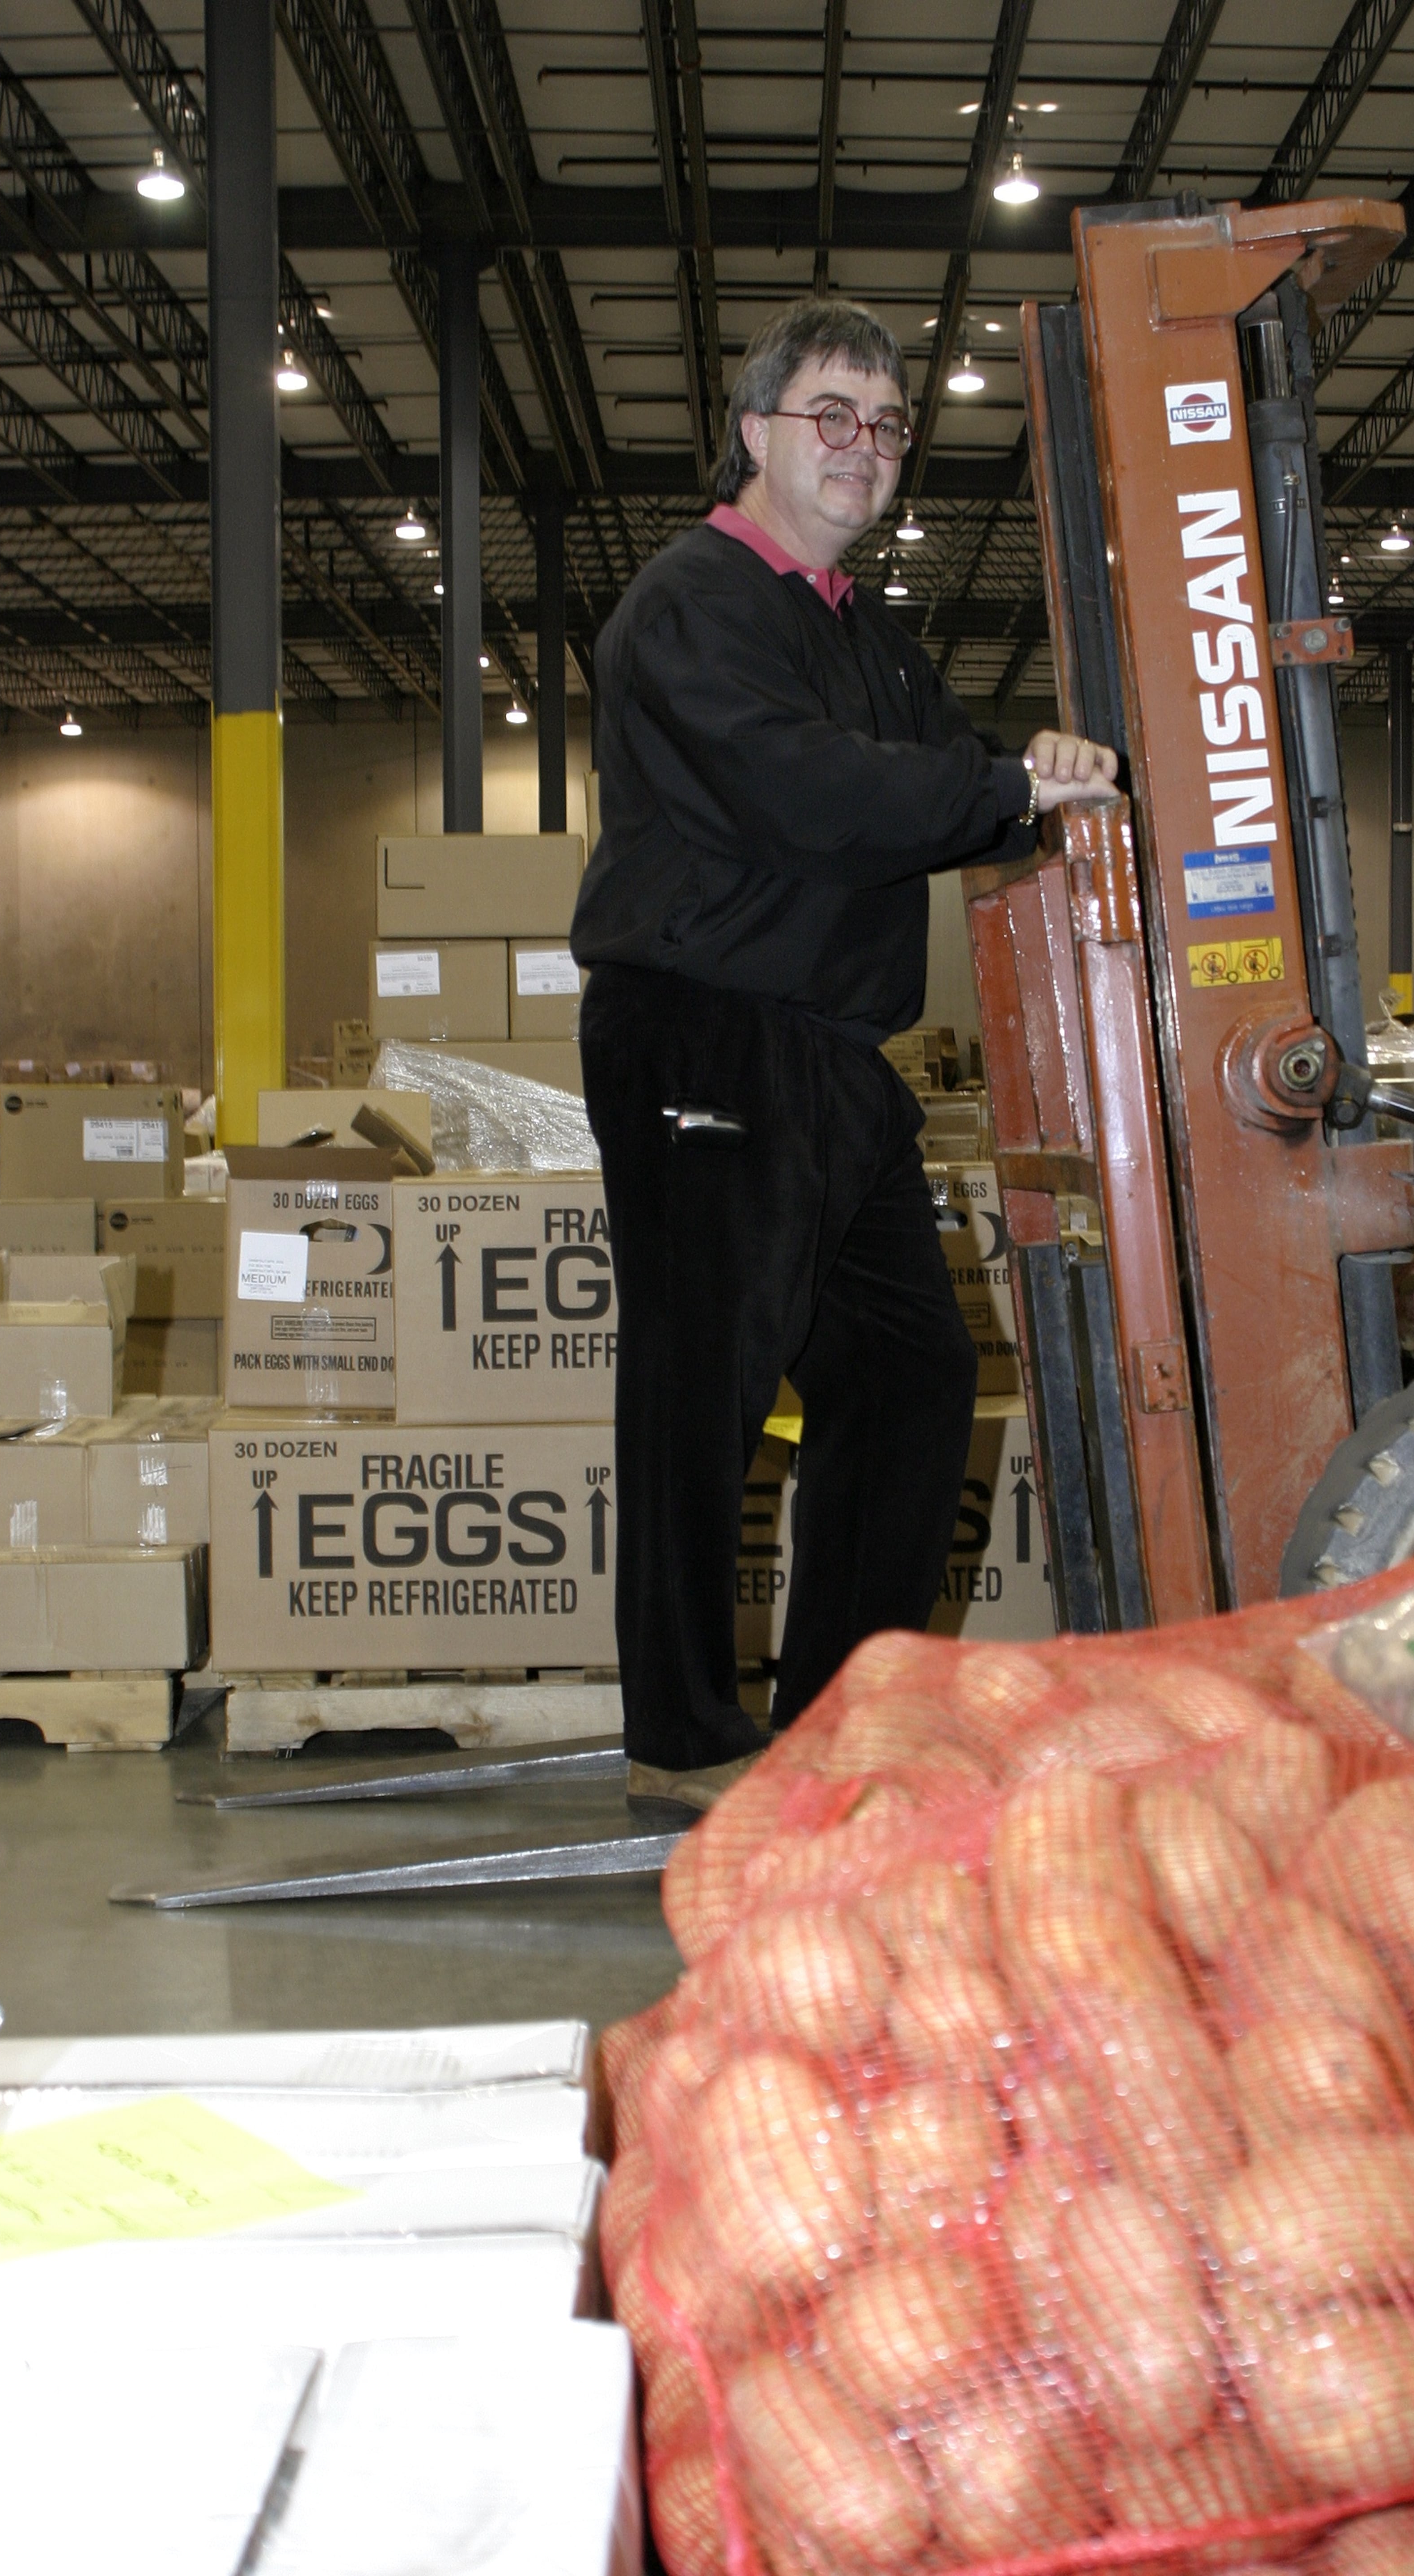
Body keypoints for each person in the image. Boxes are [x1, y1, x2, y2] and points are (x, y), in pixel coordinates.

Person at [571, 297, 1118, 1821]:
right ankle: (680, 1739)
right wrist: (996, 781)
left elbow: (945, 778)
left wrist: (1046, 780)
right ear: (755, 434)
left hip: (835, 1053)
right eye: (832, 415)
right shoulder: (691, 605)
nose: (861, 447)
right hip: (704, 1028)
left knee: (909, 1374)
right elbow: (815, 795)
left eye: (883, 427)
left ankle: (835, 1720)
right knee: (707, 1387)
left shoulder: (861, 629)